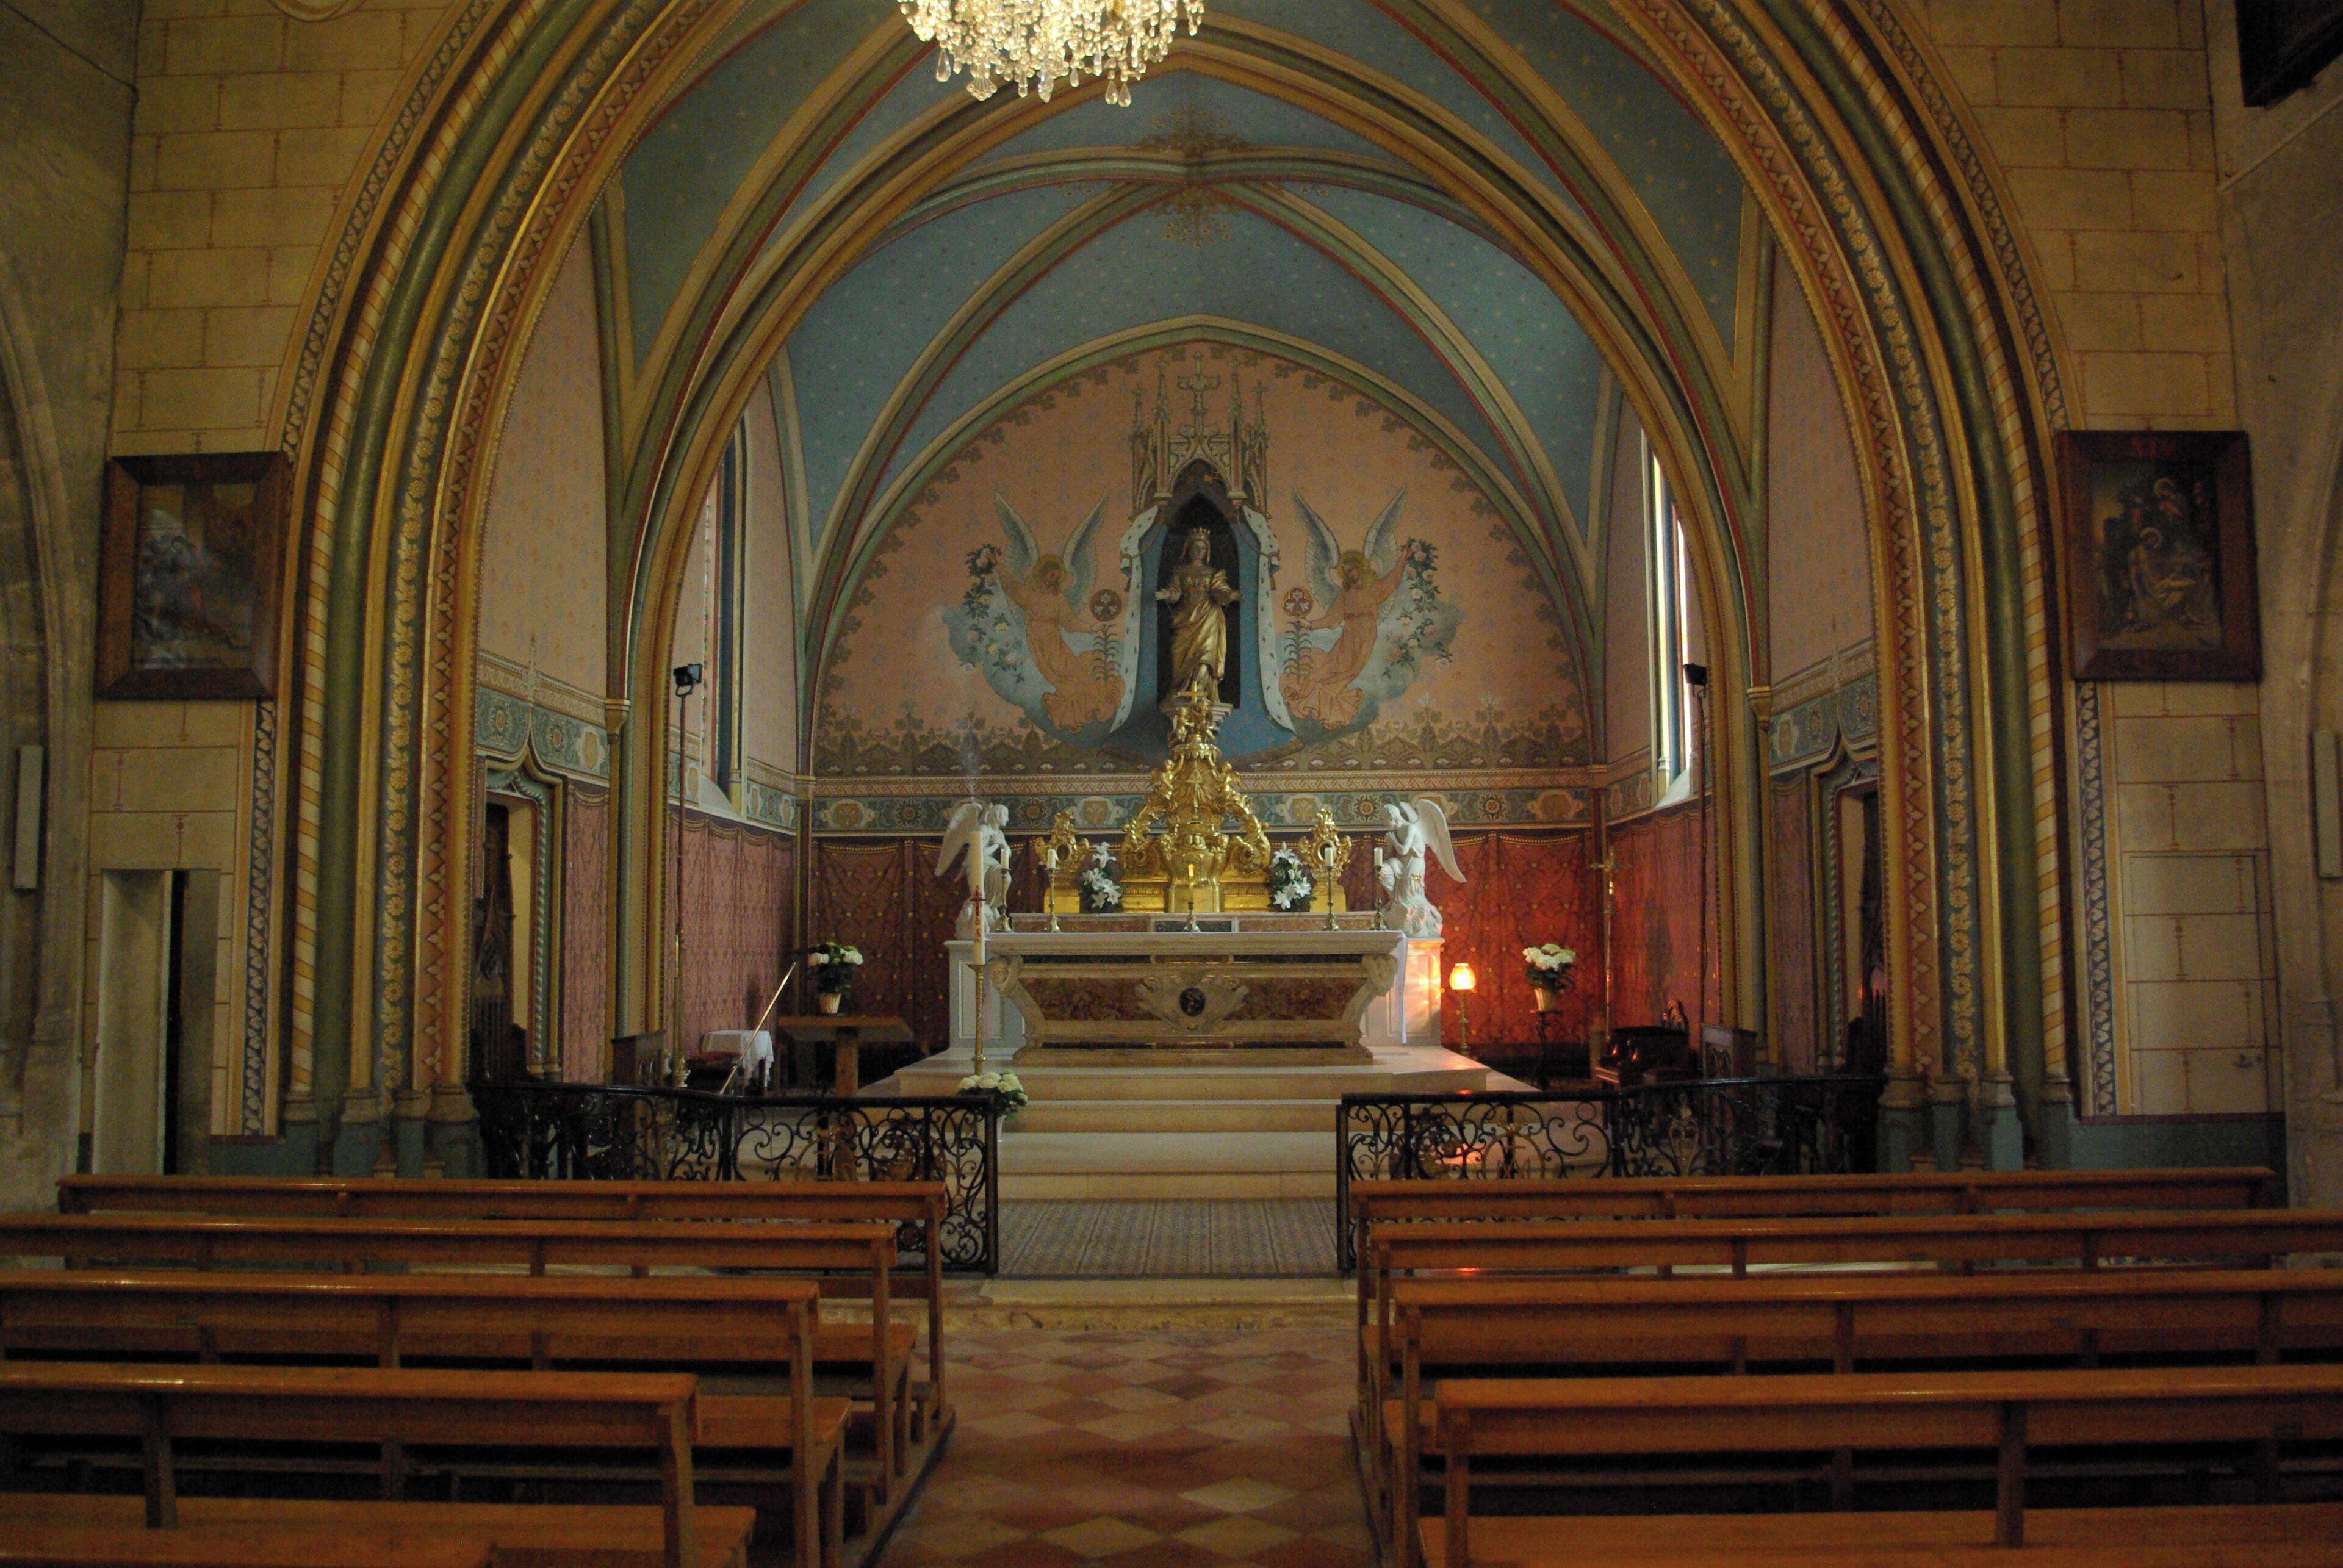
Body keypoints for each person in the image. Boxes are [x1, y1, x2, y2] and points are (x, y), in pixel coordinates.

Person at [1156, 528, 1238, 699]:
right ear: (1189, 549)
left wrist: (1229, 595)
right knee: (1179, 652)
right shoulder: (1180, 572)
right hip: (1186, 617)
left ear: (1207, 551)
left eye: (1202, 548)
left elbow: (1219, 590)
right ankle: (1181, 689)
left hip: (1208, 617)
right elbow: (1176, 591)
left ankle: (1203, 693)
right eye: (1196, 547)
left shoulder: (1213, 573)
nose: (1199, 551)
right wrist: (1166, 594)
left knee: (1204, 655)